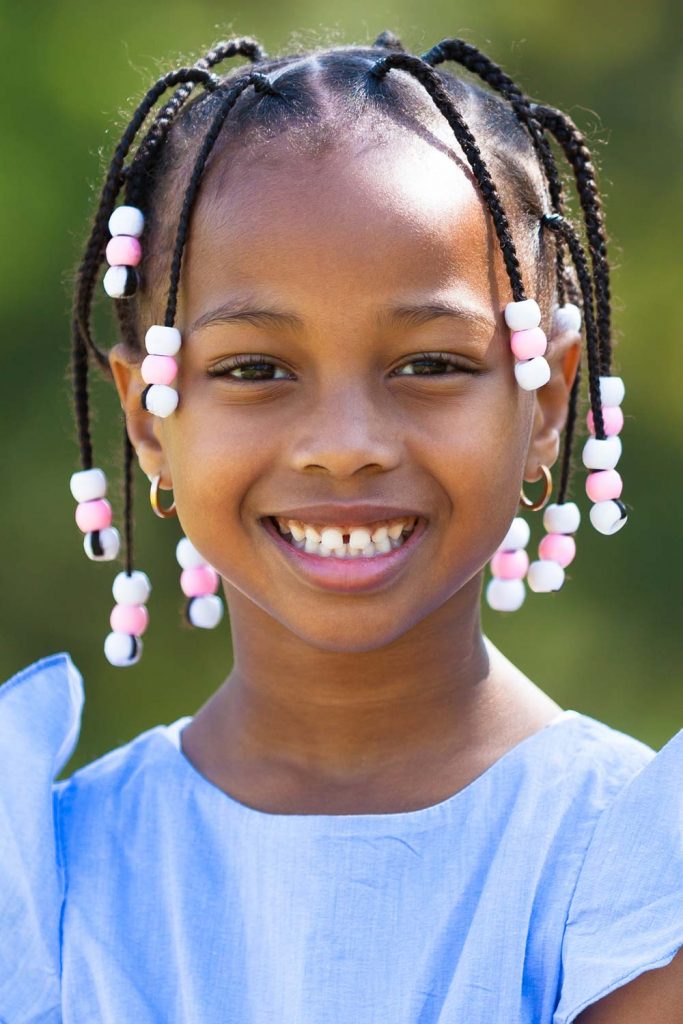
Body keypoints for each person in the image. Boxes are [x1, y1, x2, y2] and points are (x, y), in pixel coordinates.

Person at [1, 30, 681, 1024]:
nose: (344, 445)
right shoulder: (44, 880)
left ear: (543, 404)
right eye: (254, 369)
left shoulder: (629, 874)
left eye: (430, 364)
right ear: (147, 414)